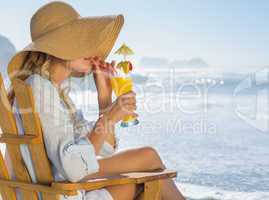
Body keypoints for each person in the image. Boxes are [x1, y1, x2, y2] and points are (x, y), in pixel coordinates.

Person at [7, 1, 185, 200]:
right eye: (82, 41)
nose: (91, 49)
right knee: (149, 159)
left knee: (152, 173)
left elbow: (103, 149)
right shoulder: (41, 89)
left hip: (61, 190)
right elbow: (74, 168)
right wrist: (109, 117)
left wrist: (104, 97)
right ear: (57, 47)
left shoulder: (54, 93)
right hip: (59, 193)